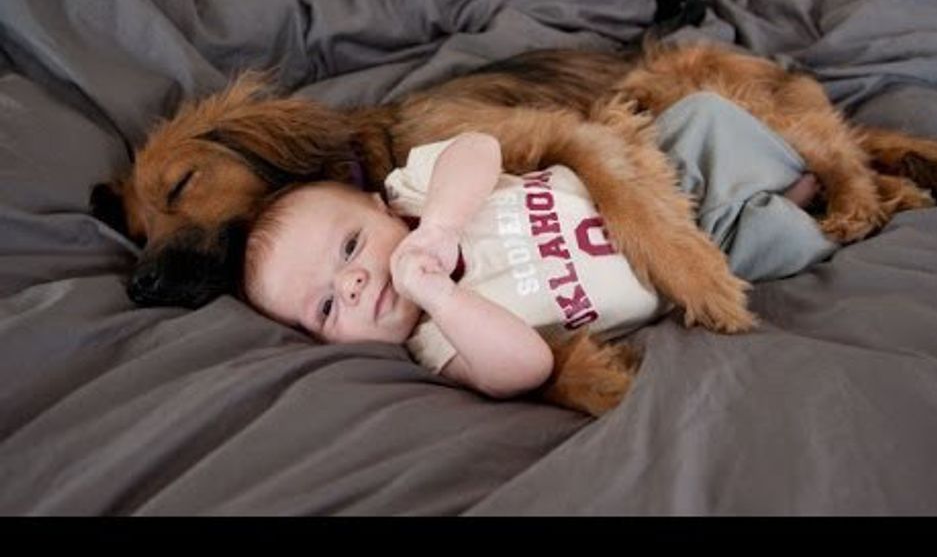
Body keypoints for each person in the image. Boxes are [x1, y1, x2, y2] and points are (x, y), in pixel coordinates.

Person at [242, 93, 838, 401]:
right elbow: (527, 368)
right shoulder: (439, 341)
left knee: (703, 115)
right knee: (783, 244)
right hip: (689, 260)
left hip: (647, 177)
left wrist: (441, 226)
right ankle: (795, 201)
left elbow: (479, 147)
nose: (351, 284)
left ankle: (789, 169)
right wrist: (442, 297)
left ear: (380, 206)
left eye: (350, 246)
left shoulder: (414, 193)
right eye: (327, 307)